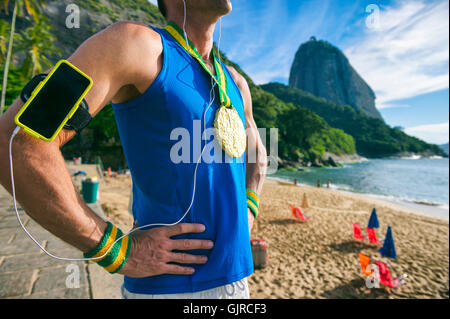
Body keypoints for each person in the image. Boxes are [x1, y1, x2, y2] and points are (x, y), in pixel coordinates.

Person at [0, 0, 267, 299]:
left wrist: (247, 211)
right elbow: (14, 141)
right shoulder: (134, 45)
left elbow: (257, 155)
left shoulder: (236, 82)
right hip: (167, 288)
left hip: (238, 282)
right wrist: (116, 250)